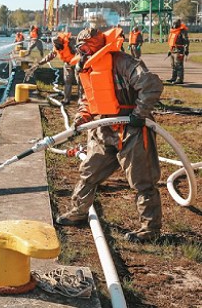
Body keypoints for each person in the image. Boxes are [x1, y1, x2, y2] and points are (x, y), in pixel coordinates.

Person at [56, 26, 164, 243]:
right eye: (81, 47)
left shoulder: (123, 62)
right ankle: (78, 211)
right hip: (102, 128)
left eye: (87, 47)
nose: (84, 51)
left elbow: (151, 86)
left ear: (97, 45)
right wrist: (82, 117)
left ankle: (150, 229)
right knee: (89, 171)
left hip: (131, 129)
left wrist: (138, 114)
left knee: (142, 181)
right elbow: (87, 99)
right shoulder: (85, 67)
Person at [29, 32, 79, 105]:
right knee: (67, 81)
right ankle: (66, 99)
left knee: (80, 81)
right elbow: (50, 56)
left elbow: (79, 52)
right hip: (68, 64)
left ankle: (82, 100)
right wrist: (39, 63)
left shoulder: (70, 42)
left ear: (61, 42)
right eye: (55, 45)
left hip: (77, 63)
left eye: (58, 45)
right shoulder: (56, 47)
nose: (57, 47)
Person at [167, 19, 190, 84]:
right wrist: (169, 50)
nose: (174, 25)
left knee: (179, 65)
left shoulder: (182, 31)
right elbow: (171, 42)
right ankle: (173, 77)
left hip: (179, 50)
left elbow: (186, 41)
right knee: (173, 65)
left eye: (175, 24)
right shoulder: (172, 31)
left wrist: (186, 49)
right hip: (172, 50)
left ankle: (179, 79)